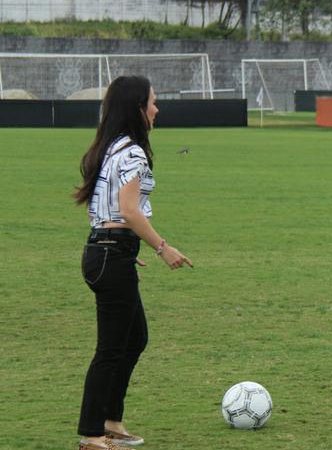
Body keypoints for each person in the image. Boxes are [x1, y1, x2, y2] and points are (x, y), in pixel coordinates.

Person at [74, 75, 193, 449]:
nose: (157, 109)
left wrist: (127, 249)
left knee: (134, 337)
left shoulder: (112, 146)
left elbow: (106, 209)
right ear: (137, 108)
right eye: (153, 102)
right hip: (110, 254)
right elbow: (127, 210)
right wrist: (161, 247)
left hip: (108, 252)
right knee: (111, 349)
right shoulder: (133, 152)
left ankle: (110, 421)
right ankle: (93, 434)